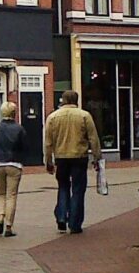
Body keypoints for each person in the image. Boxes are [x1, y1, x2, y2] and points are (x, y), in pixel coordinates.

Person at [44, 89, 102, 234]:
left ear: (62, 100)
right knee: (77, 190)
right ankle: (75, 224)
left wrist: (48, 161)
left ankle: (62, 217)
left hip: (61, 158)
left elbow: (48, 142)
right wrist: (97, 157)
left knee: (63, 187)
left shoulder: (52, 117)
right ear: (76, 100)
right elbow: (93, 139)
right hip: (79, 157)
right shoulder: (84, 116)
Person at [0, 101, 27, 238]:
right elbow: (25, 147)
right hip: (14, 164)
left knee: (1, 194)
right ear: (14, 113)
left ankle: (0, 217)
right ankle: (9, 226)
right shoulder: (19, 129)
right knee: (11, 195)